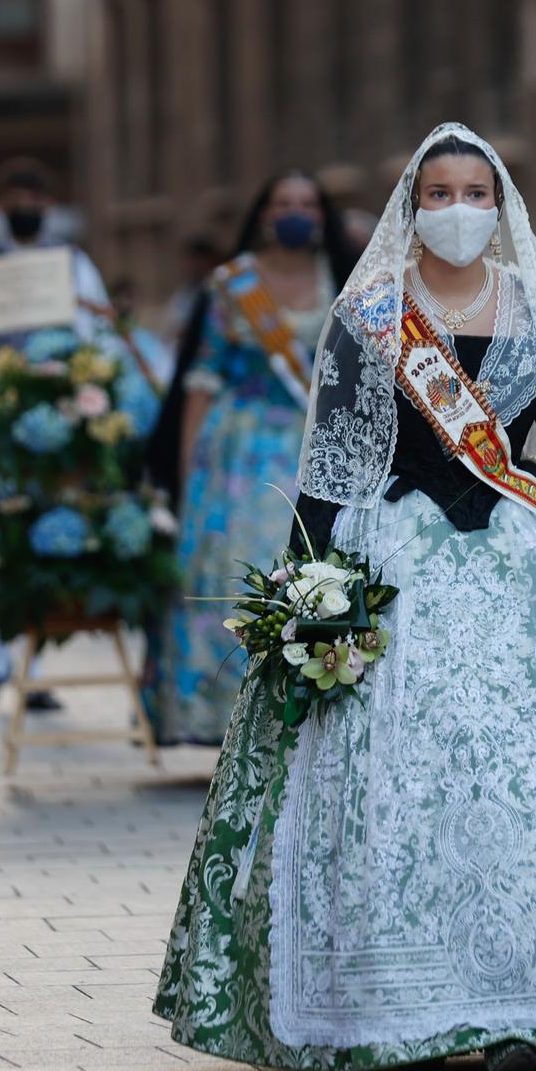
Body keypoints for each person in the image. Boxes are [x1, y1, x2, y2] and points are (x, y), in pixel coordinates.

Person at [154, 124, 536, 1071]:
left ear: (500, 206)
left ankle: (532, 1009)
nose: (458, 209)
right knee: (402, 778)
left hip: (526, 568)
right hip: (395, 567)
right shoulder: (372, 314)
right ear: (411, 205)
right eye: (439, 193)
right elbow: (330, 473)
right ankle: (403, 1007)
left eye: (477, 192)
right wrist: (302, 588)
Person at [142, 171, 358, 746]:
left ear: (322, 215)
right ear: (263, 214)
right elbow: (201, 381)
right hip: (238, 455)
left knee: (313, 576)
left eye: (306, 204)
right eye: (283, 203)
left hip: (316, 445)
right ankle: (222, 718)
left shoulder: (346, 279)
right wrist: (188, 479)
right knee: (240, 575)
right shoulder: (232, 286)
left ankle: (306, 710)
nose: (295, 212)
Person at [0, 160, 108, 711]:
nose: (25, 206)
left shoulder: (73, 265)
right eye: (15, 197)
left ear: (48, 205)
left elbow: (95, 334)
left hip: (56, 420)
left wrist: (67, 377)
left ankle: (34, 662)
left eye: (35, 196)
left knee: (47, 533)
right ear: (0, 205)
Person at [159, 236, 225, 345]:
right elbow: (172, 332)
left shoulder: (222, 287)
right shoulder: (183, 296)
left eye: (193, 261)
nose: (187, 267)